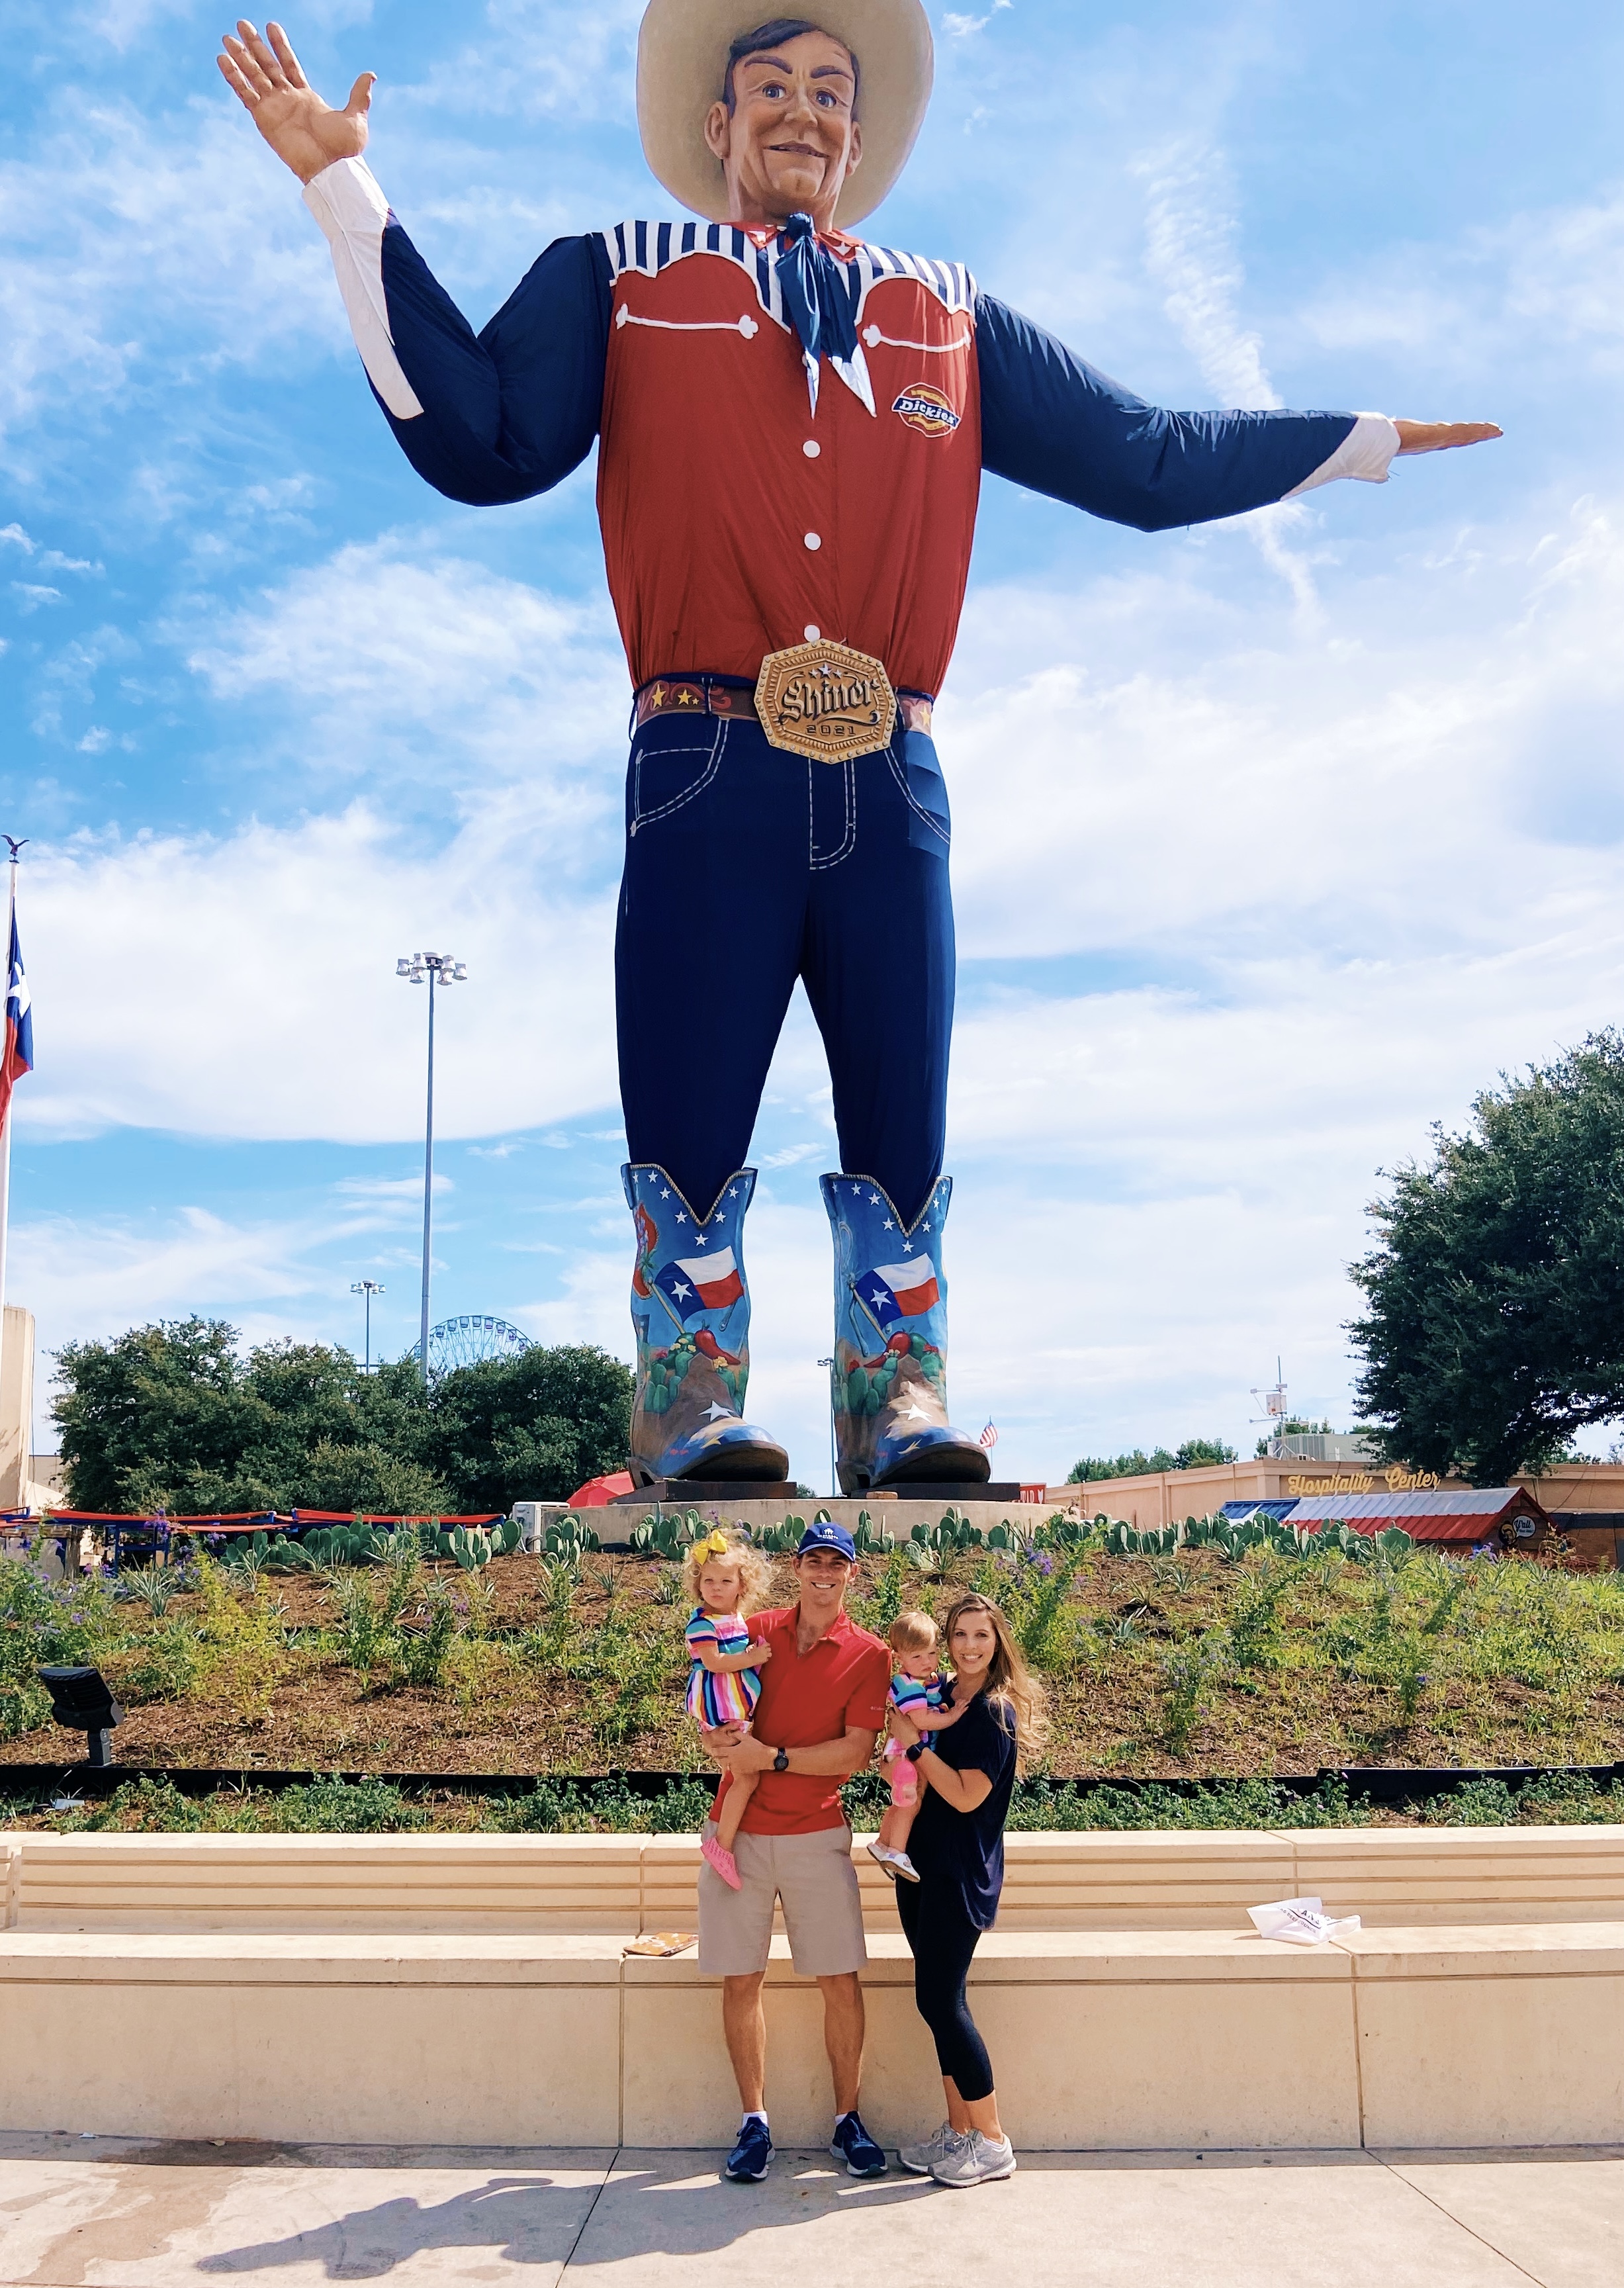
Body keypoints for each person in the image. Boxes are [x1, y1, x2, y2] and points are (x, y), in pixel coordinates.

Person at [214, 4, 1500, 1502]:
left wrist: (1356, 440)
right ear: (715, 124)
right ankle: (689, 1406)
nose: (808, 115)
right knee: (689, 1106)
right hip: (705, 759)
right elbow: (484, 440)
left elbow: (1140, 458)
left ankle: (899, 1404)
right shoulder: (619, 277)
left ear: (861, 131)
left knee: (902, 1111)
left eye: (834, 92)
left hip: (891, 774)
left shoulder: (944, 311)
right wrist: (338, 190)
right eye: (772, 89)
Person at [696, 1518, 890, 2183]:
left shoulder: (870, 1654)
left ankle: (847, 2120)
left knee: (840, 1980)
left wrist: (770, 1757)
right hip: (739, 1833)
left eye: (837, 1561)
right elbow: (713, 1698)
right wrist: (719, 1745)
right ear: (798, 1567)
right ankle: (754, 2123)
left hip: (815, 1833)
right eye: (814, 1559)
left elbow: (855, 1753)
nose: (825, 1572)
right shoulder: (757, 1631)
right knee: (740, 1979)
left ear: (852, 1573)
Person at [885, 1590, 1040, 2187]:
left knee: (941, 2002)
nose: (971, 1646)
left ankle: (993, 2139)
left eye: (982, 1634)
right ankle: (960, 2132)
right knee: (937, 2003)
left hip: (959, 1873)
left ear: (998, 1640)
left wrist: (917, 1747)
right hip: (920, 1866)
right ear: (946, 1641)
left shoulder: (994, 1712)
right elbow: (904, 1756)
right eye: (960, 1635)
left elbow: (966, 1795)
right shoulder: (943, 1694)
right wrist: (898, 1749)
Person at [682, 1528, 774, 1889]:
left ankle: (723, 1836)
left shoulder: (735, 1619)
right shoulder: (701, 1623)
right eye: (708, 1580)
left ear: (741, 1585)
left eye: (725, 1580)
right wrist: (751, 1657)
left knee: (738, 1773)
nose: (716, 1587)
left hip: (735, 1702)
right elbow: (716, 1662)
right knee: (747, 1775)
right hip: (720, 1704)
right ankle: (721, 1845)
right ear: (698, 1585)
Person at [868, 1607, 970, 1882]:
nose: (927, 1661)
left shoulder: (924, 1680)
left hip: (905, 1753)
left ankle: (883, 1843)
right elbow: (922, 1721)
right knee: (910, 1803)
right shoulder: (909, 1685)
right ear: (898, 1657)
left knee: (904, 1801)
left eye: (933, 1653)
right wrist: (952, 1716)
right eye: (917, 1656)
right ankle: (897, 1852)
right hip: (904, 1754)